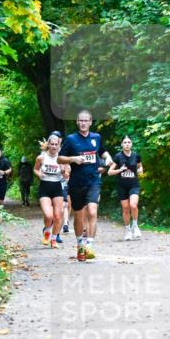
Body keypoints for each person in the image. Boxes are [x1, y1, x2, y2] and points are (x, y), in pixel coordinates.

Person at [58, 110, 110, 261]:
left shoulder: (96, 137)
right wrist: (73, 159)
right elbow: (60, 159)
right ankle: (80, 245)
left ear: (90, 122)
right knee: (79, 216)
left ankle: (89, 246)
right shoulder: (71, 139)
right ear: (77, 122)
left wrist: (108, 157)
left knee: (92, 211)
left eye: (86, 121)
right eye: (80, 121)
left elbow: (102, 151)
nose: (83, 123)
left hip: (93, 180)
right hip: (77, 183)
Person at [108, 135, 144, 241]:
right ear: (122, 144)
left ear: (131, 144)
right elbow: (110, 172)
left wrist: (141, 170)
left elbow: (140, 166)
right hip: (122, 185)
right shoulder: (118, 156)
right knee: (125, 208)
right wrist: (120, 170)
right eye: (125, 142)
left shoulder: (136, 155)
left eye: (129, 142)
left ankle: (135, 226)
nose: (127, 144)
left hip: (133, 184)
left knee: (133, 205)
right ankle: (128, 231)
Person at [34, 135, 66, 249]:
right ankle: (47, 230)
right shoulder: (41, 157)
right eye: (51, 144)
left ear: (59, 145)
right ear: (48, 144)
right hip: (45, 187)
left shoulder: (62, 158)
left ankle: (53, 239)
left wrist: (63, 171)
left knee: (58, 216)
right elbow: (35, 169)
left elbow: (67, 175)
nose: (53, 146)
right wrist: (39, 174)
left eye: (56, 144)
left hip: (57, 187)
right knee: (49, 215)